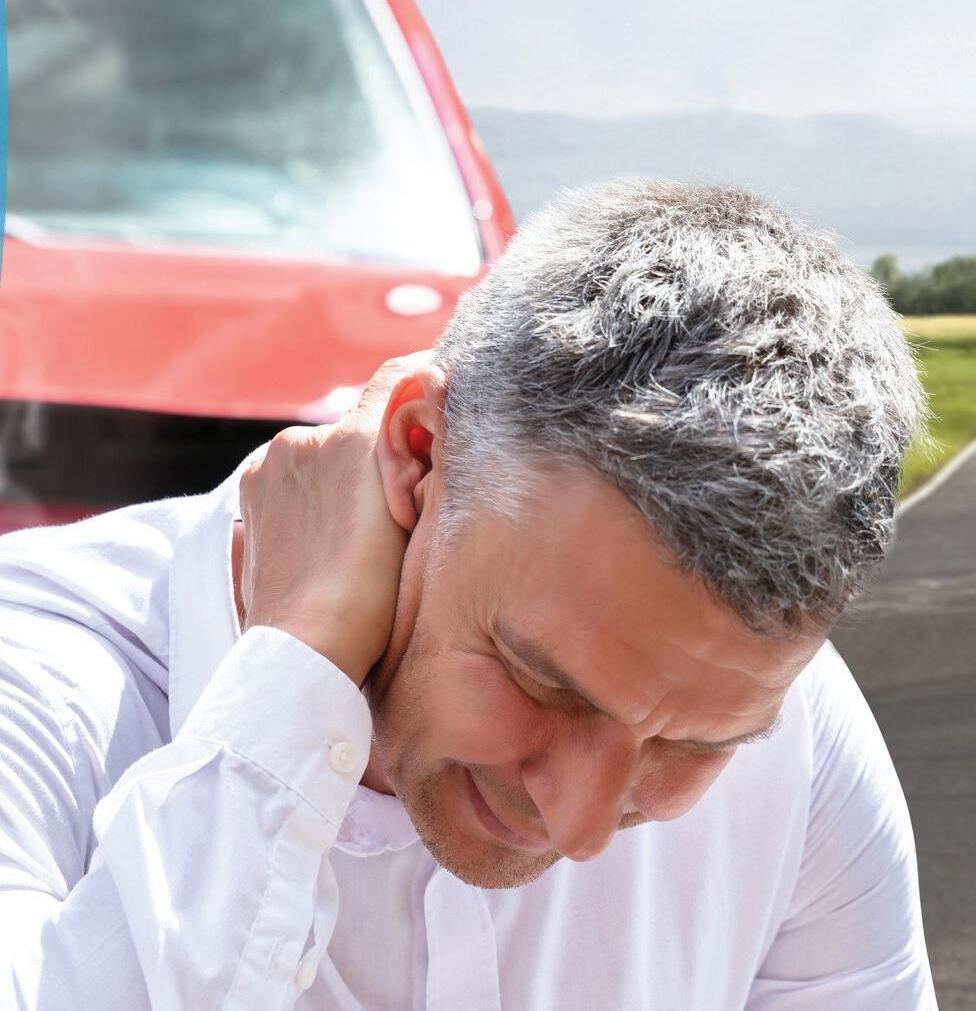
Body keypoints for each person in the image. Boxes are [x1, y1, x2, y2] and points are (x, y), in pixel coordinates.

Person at [0, 180, 936, 1009]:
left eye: (691, 745)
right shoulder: (33, 686)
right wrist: (294, 667)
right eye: (541, 681)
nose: (578, 829)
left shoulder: (795, 726)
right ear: (416, 455)